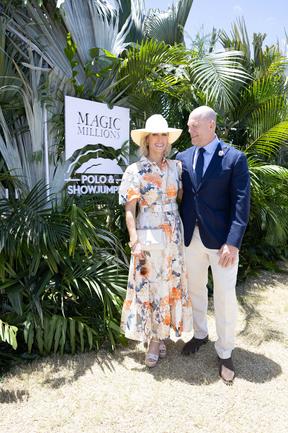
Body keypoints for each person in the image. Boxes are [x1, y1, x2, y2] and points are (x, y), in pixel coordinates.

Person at [176, 106, 250, 384]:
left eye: (194, 126)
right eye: (189, 126)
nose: (190, 130)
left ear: (211, 125)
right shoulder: (182, 158)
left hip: (222, 244)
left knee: (224, 296)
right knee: (195, 289)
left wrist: (233, 242)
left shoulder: (234, 158)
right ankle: (200, 334)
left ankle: (225, 350)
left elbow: (241, 205)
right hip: (190, 239)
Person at [119, 114, 192, 367]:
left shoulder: (176, 168)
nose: (160, 140)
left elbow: (184, 198)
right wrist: (134, 240)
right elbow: (130, 209)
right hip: (148, 234)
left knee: (169, 283)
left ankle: (162, 336)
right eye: (155, 135)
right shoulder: (135, 171)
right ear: (147, 140)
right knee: (149, 284)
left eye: (164, 135)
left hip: (173, 235)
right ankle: (152, 339)